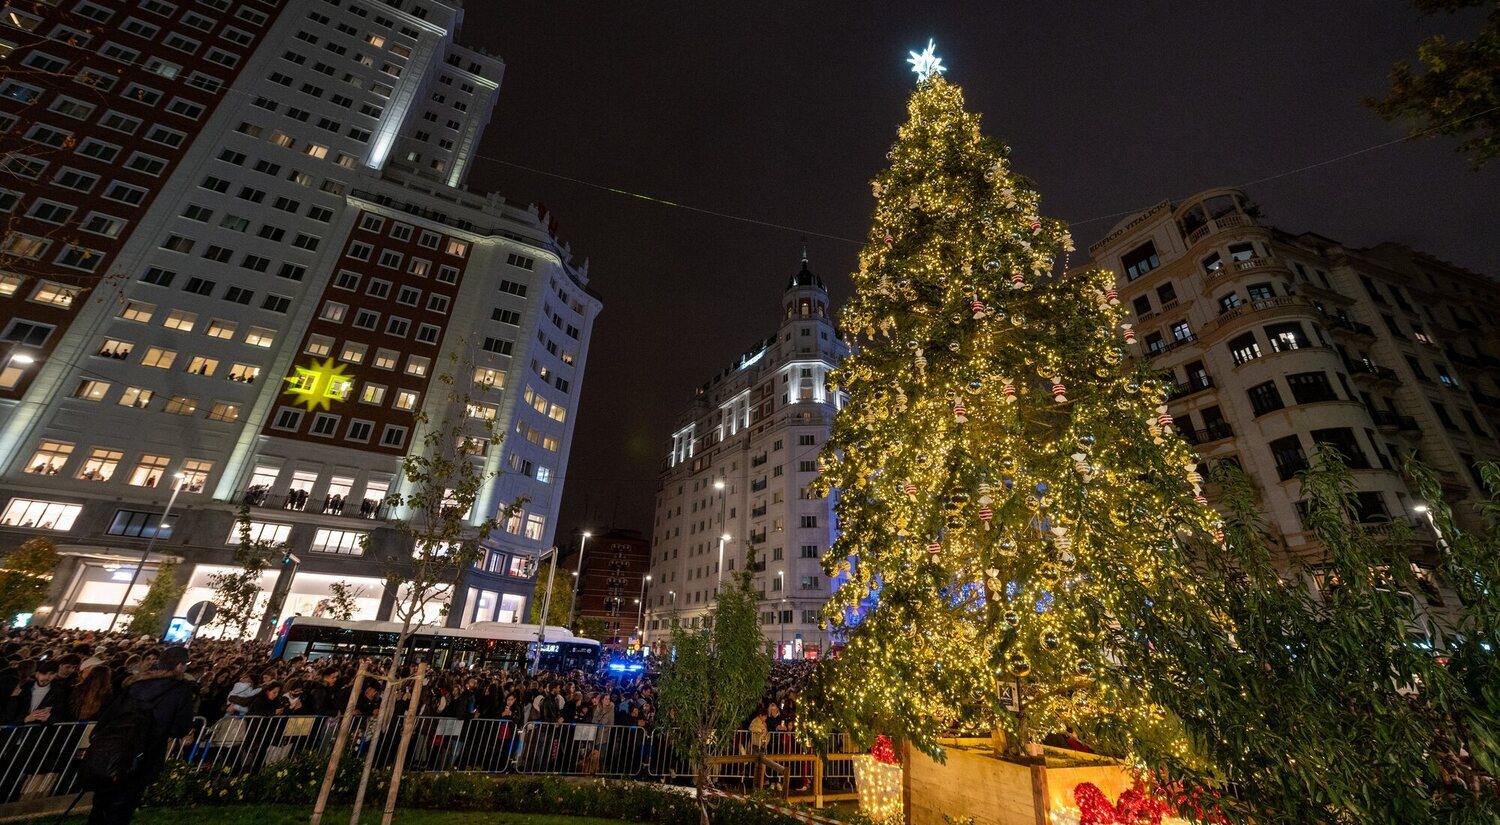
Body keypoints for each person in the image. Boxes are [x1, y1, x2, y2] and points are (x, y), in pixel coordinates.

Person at [87, 645, 196, 825]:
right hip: (144, 754)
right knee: (122, 806)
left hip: (113, 749)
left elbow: (111, 714)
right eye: (185, 664)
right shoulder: (180, 690)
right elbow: (179, 728)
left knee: (101, 804)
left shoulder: (136, 683)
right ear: (179, 666)